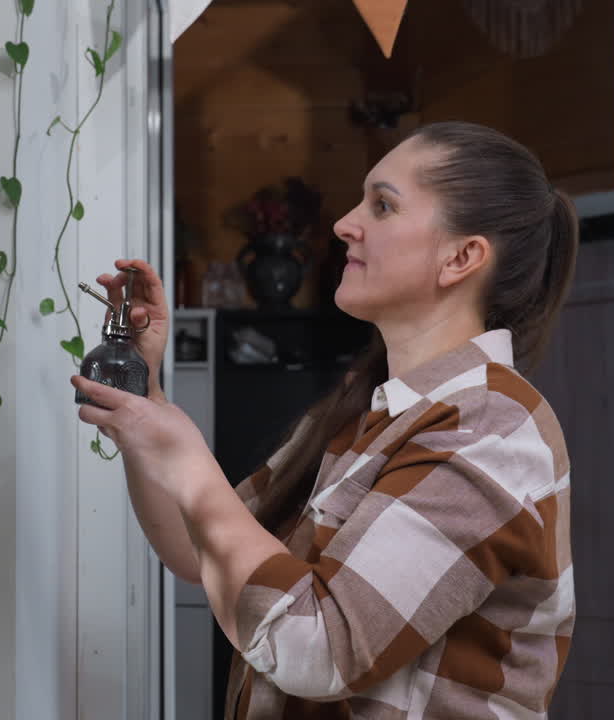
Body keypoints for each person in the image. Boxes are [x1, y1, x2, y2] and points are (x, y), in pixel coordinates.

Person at [71, 121, 578, 719]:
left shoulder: (488, 434)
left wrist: (186, 458)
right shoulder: (365, 409)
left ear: (461, 257)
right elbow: (197, 547)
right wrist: (146, 401)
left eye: (383, 205)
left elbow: (321, 649)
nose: (344, 223)